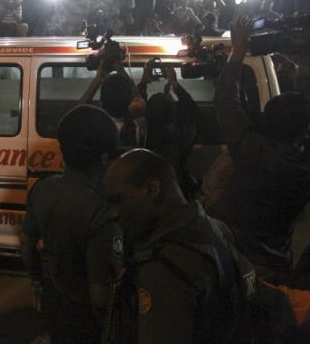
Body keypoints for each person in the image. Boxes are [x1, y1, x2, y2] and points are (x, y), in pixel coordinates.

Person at [103, 149, 257, 344]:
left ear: (152, 188)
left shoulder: (163, 269)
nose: (112, 214)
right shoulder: (218, 229)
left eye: (118, 201)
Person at [212, 15, 310, 283]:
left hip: (233, 257)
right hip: (277, 261)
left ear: (266, 122)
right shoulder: (303, 170)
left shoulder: (252, 151)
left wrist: (238, 52)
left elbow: (225, 99)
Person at [21, 105, 122, 343]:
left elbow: (26, 244)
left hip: (55, 299)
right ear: (105, 156)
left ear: (62, 148)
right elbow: (99, 295)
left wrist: (37, 280)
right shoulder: (103, 210)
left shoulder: (43, 188)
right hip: (88, 317)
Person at [137, 62, 200, 198]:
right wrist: (175, 85)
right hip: (177, 185)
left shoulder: (141, 135)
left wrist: (143, 81)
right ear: (173, 115)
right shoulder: (182, 136)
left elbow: (137, 104)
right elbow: (192, 110)